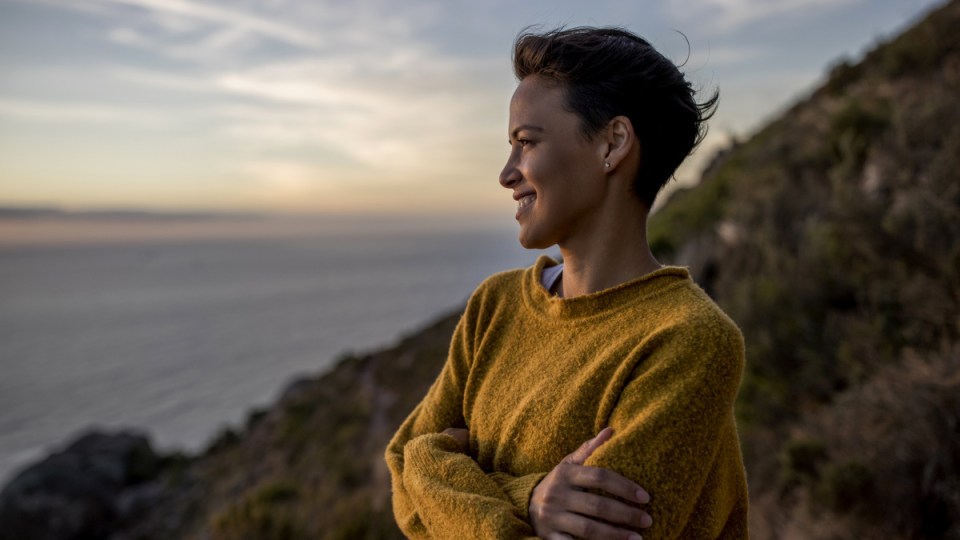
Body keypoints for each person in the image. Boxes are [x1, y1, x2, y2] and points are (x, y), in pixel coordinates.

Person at [385, 26, 748, 539]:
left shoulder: (687, 340)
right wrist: (527, 497)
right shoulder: (495, 305)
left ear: (612, 144)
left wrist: (437, 467)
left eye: (526, 143)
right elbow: (403, 468)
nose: (507, 173)